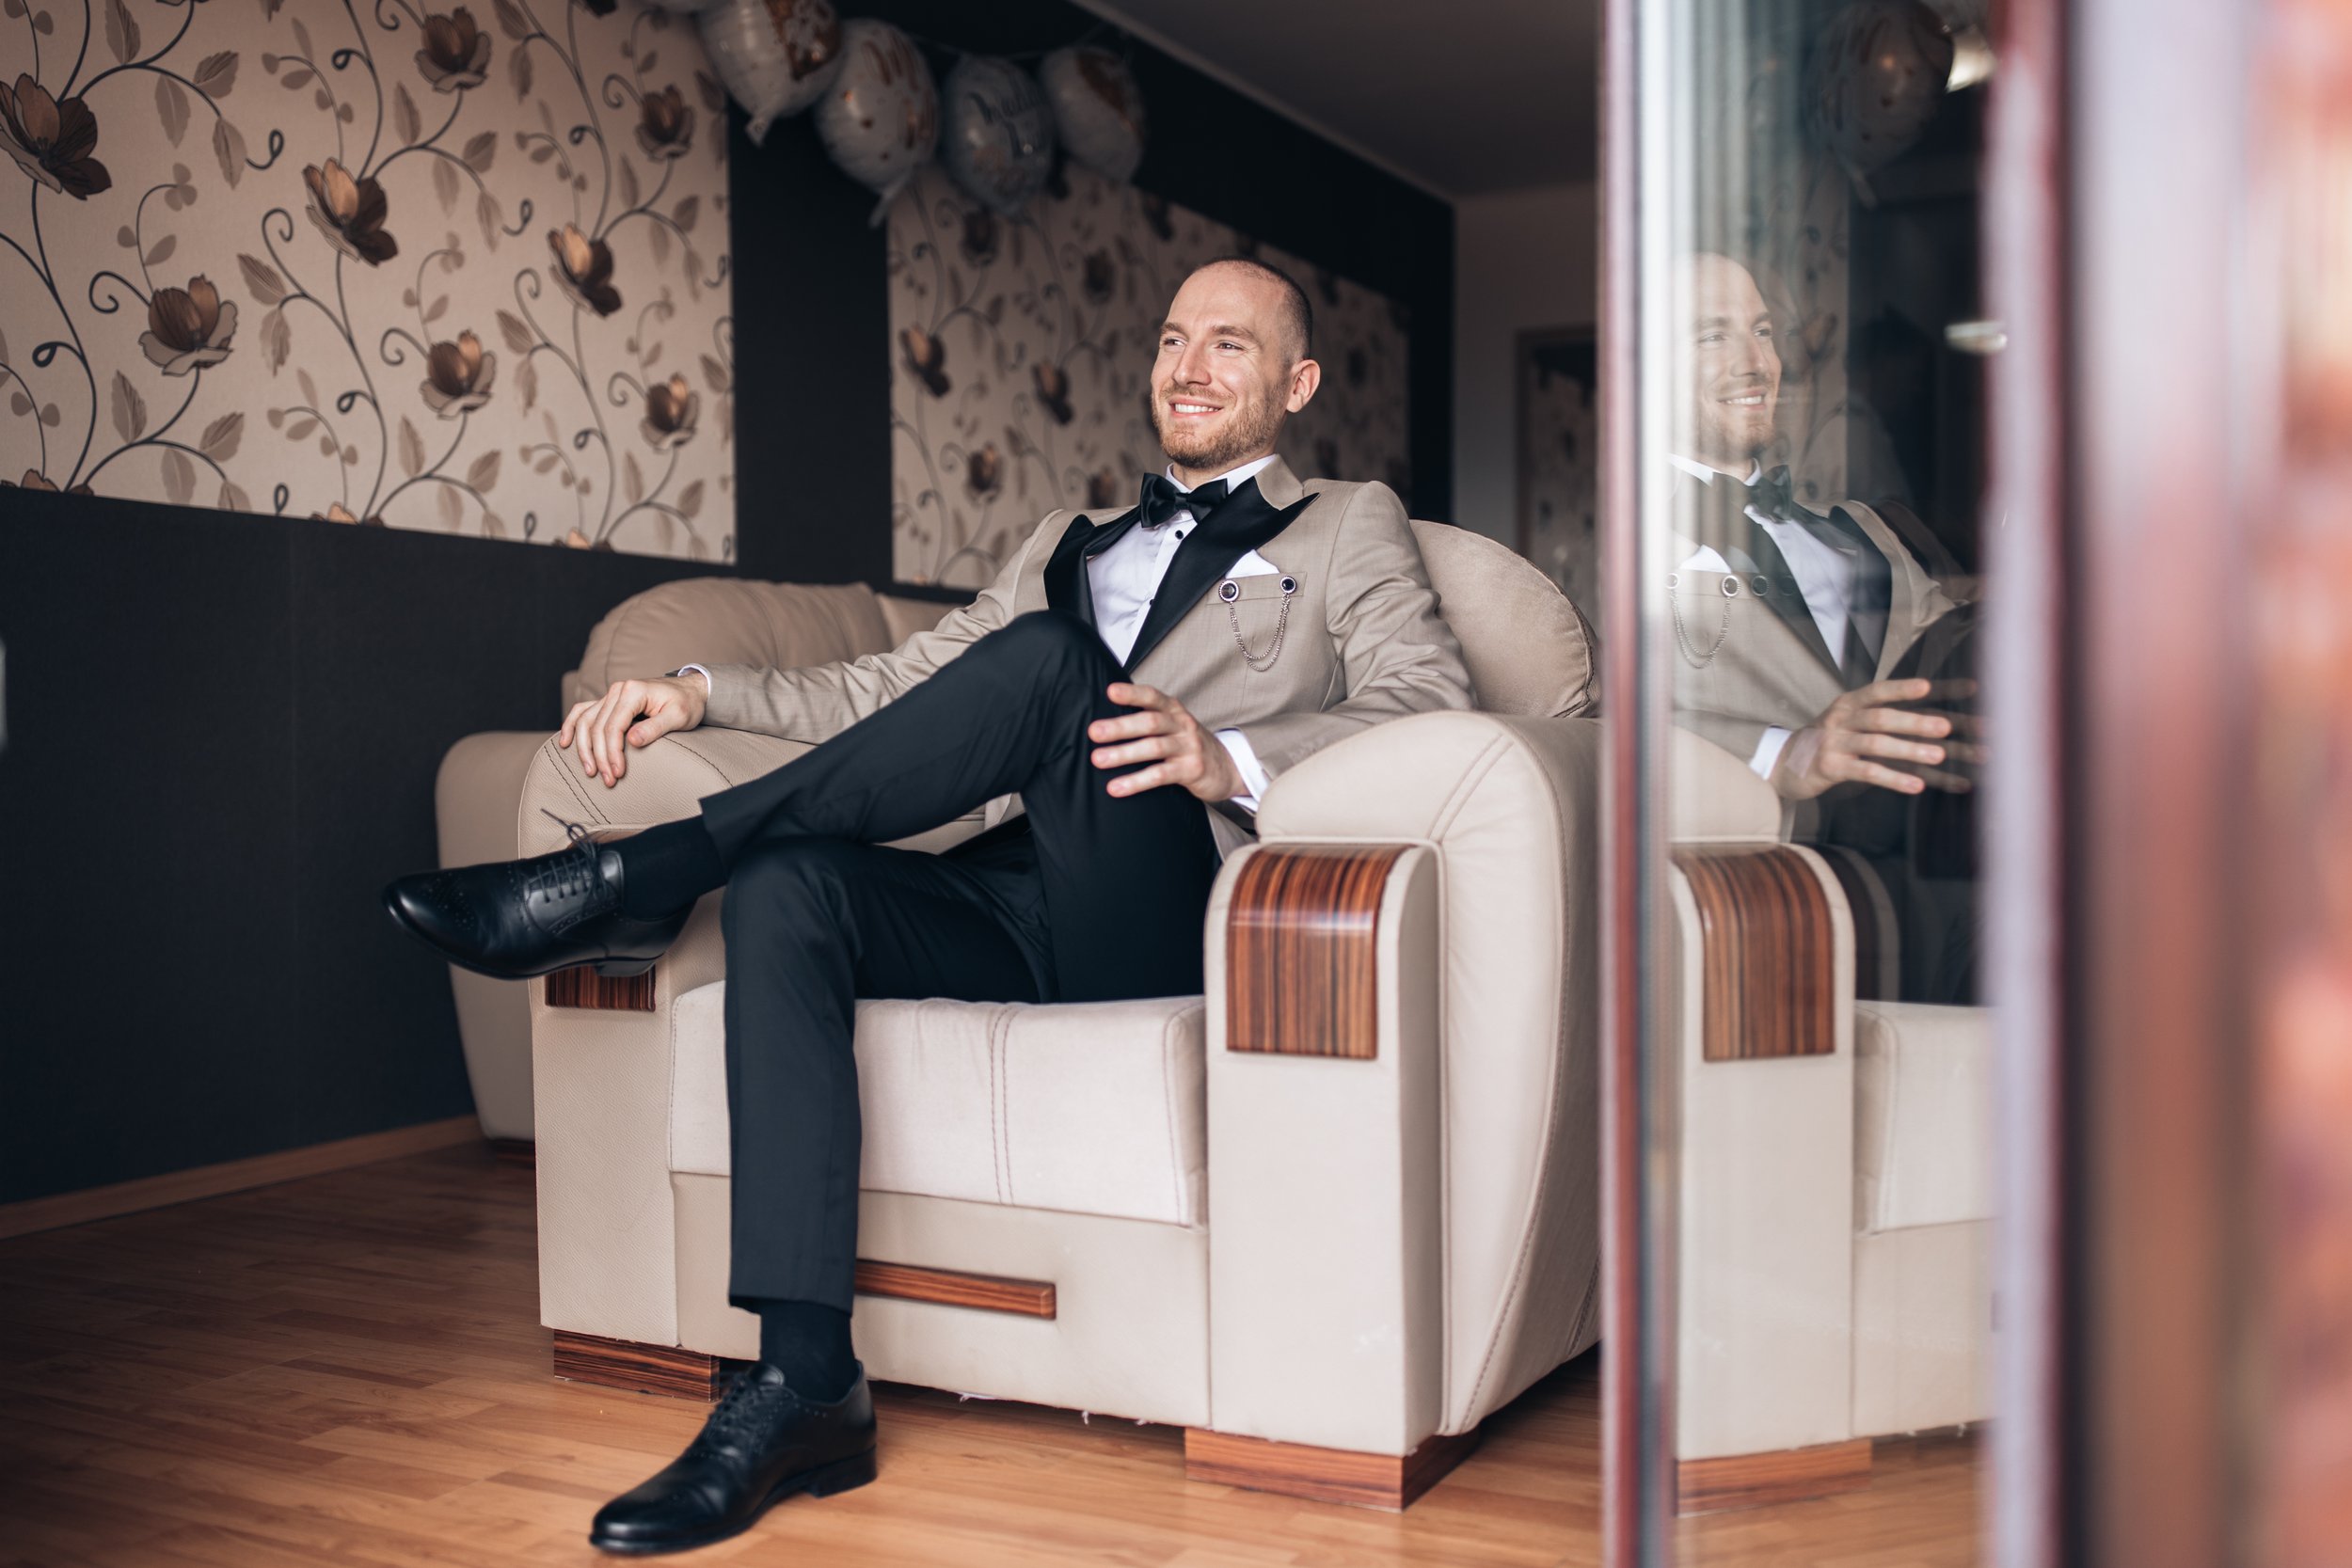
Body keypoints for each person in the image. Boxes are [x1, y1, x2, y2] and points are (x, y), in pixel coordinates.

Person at [382, 256, 1472, 1556]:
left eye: (1227, 345)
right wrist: (701, 691)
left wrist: (1225, 756)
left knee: (1056, 662)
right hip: (1009, 898)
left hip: (1168, 903)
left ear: (1296, 384)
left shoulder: (1348, 525)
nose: (1187, 368)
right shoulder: (1066, 542)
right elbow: (893, 692)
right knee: (787, 885)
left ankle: (638, 875)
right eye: (1172, 339)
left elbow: (1431, 701)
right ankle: (802, 1384)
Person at [1667, 250, 1981, 1000]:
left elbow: (1955, 643)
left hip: (1954, 884)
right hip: (1778, 904)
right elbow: (1605, 723)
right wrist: (1786, 752)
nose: (1756, 363)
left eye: (1763, 330)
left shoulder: (1864, 533)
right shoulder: (1627, 547)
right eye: (1713, 335)